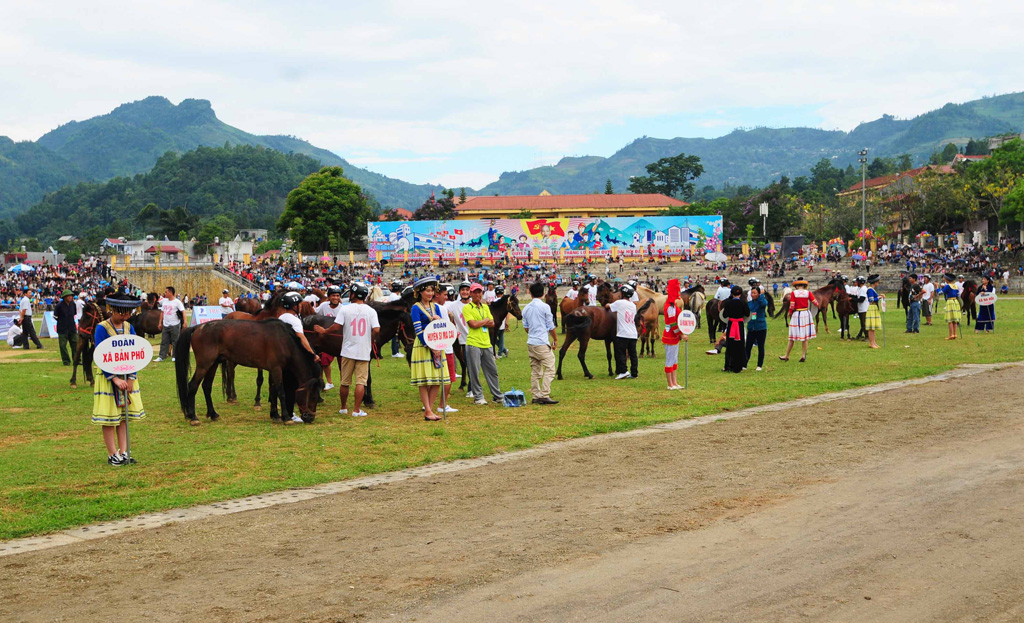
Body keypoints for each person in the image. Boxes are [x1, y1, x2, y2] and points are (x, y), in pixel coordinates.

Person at [91, 295, 146, 466]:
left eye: (127, 313)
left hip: (127, 376)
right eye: (121, 313)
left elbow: (134, 352)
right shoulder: (102, 328)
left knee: (123, 417)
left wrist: (131, 378)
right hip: (109, 379)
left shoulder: (129, 327)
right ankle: (112, 453)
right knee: (109, 417)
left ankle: (124, 451)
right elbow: (100, 354)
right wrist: (114, 378)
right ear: (112, 310)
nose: (125, 316)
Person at [316, 283, 379, 418]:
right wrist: (371, 338)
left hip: (347, 350)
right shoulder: (371, 311)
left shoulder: (345, 309)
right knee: (361, 382)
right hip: (363, 350)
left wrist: (324, 331)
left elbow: (337, 326)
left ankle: (343, 408)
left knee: (345, 382)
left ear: (353, 294)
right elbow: (377, 329)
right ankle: (356, 410)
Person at [410, 277, 447, 420]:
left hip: (437, 344)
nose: (430, 294)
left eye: (432, 291)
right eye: (427, 291)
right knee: (425, 380)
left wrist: (438, 320)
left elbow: (441, 326)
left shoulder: (435, 307)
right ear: (420, 292)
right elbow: (418, 331)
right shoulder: (415, 308)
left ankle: (429, 409)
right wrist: (431, 346)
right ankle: (428, 410)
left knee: (438, 379)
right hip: (424, 345)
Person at [462, 283, 503, 406]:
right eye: (475, 292)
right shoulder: (467, 308)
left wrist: (482, 322)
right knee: (474, 372)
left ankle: (497, 395)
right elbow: (472, 324)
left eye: (479, 292)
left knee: (492, 371)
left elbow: (493, 323)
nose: (478, 294)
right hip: (473, 343)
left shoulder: (485, 307)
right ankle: (478, 396)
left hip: (486, 343)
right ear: (471, 293)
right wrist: (485, 321)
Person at [522, 281, 558, 404]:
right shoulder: (545, 307)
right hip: (541, 342)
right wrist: (555, 339)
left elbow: (526, 327)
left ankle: (536, 395)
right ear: (543, 294)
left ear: (531, 294)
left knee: (535, 370)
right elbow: (550, 325)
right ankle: (544, 394)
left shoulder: (526, 308)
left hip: (531, 342)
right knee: (550, 367)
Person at [433, 285, 458, 413]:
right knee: (448, 377)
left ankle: (430, 402)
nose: (446, 298)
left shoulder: (427, 307)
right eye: (444, 295)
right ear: (437, 295)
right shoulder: (441, 308)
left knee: (434, 377)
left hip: (433, 346)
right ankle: (443, 404)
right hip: (445, 347)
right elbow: (447, 326)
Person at [314, 285, 345, 390]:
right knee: (325, 361)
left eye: (337, 296)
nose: (335, 298)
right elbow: (315, 315)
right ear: (329, 297)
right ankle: (329, 382)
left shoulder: (343, 309)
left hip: (340, 340)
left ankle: (344, 383)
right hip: (327, 340)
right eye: (333, 295)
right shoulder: (323, 306)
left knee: (343, 363)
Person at [780, 278, 817, 363]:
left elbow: (792, 305)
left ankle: (787, 355)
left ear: (796, 286)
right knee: (804, 337)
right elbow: (815, 303)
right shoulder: (808, 293)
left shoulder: (794, 293)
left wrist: (790, 313)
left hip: (797, 314)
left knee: (792, 336)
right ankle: (803, 355)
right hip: (806, 313)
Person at [609, 284, 639, 380]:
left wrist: (607, 305)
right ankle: (634, 372)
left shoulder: (619, 303)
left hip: (623, 333)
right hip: (633, 333)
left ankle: (623, 371)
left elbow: (609, 306)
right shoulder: (633, 306)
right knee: (633, 354)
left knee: (621, 353)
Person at [662, 279, 685, 390]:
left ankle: (674, 382)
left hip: (673, 335)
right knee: (670, 359)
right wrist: (681, 334)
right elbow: (673, 323)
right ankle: (670, 384)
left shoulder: (673, 305)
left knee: (674, 359)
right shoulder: (670, 307)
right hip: (670, 335)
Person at [721, 285, 749, 373]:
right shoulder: (743, 303)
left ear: (732, 294)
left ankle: (728, 365)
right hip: (739, 325)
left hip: (731, 324)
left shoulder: (728, 303)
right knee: (740, 345)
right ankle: (738, 366)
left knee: (730, 345)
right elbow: (747, 314)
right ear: (740, 294)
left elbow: (724, 315)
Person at [154, 286, 185, 362]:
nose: (165, 293)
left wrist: (185, 322)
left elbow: (183, 311)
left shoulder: (177, 302)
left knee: (175, 341)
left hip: (175, 324)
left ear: (170, 293)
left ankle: (175, 356)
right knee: (164, 341)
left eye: (166, 292)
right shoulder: (164, 301)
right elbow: (162, 312)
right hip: (166, 324)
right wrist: (160, 323)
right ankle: (162, 356)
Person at [746, 285, 768, 371]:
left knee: (761, 346)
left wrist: (762, 296)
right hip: (751, 327)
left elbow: (764, 304)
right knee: (748, 346)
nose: (753, 294)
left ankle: (759, 365)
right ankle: (745, 363)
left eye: (755, 293)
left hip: (761, 327)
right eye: (752, 293)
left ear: (758, 293)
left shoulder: (762, 301)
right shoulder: (749, 303)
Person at [54, 289, 79, 366]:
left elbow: (74, 314)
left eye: (71, 296)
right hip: (62, 329)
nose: (71, 297)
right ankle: (66, 361)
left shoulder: (73, 304)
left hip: (72, 327)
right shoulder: (59, 306)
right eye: (69, 296)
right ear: (64, 297)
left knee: (75, 344)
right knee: (62, 345)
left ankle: (77, 360)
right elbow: (55, 316)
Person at [939, 273, 962, 340]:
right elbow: (958, 295)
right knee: (955, 319)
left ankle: (951, 334)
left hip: (950, 301)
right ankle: (955, 334)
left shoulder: (948, 286)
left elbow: (940, 293)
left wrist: (937, 288)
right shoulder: (955, 286)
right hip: (955, 301)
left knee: (950, 319)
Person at [865, 274, 884, 349]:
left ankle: (873, 342)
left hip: (874, 308)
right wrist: (879, 297)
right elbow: (871, 300)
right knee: (871, 327)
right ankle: (872, 343)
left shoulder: (871, 289)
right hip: (872, 308)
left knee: (873, 328)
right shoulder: (870, 289)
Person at [493, 284, 509, 358]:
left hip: (495, 323)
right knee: (501, 338)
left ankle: (500, 353)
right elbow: (507, 313)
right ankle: (503, 351)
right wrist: (506, 322)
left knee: (495, 338)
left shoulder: (493, 301)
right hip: (502, 322)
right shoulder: (504, 302)